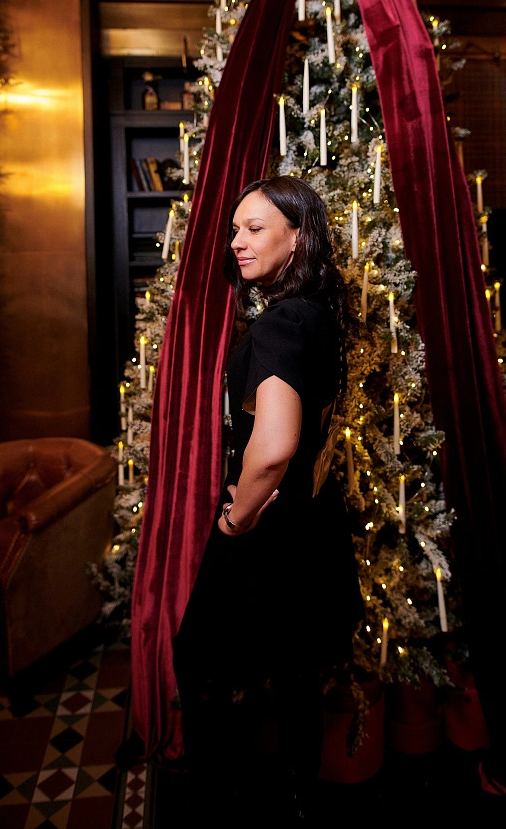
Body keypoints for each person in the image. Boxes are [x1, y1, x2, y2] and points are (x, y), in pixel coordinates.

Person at [172, 176, 363, 828]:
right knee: (294, 671)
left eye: (254, 229)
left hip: (269, 530)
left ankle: (216, 803)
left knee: (199, 657)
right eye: (235, 229)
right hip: (313, 526)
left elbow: (275, 445)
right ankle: (298, 799)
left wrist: (235, 519)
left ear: (298, 237)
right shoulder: (319, 313)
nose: (237, 242)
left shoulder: (282, 324)